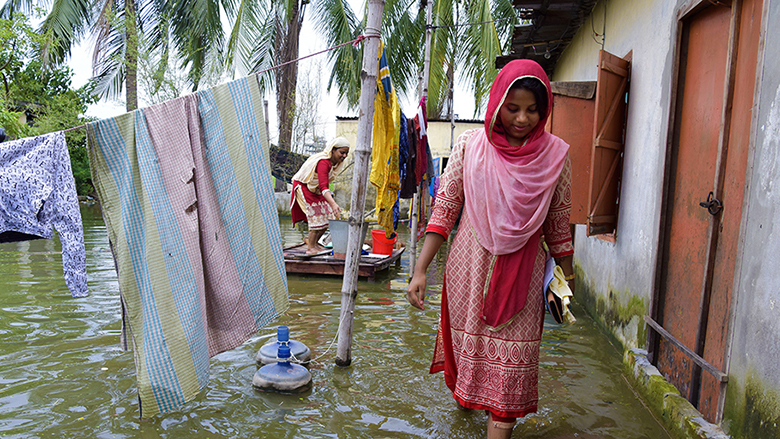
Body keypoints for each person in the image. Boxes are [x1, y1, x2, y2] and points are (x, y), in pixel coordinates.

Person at [406, 59, 576, 439]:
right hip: (470, 265)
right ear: (498, 103)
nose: (522, 118)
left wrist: (569, 278)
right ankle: (465, 409)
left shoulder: (556, 156)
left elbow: (559, 227)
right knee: (471, 356)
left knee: (511, 366)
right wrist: (420, 271)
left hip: (525, 273)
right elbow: (445, 210)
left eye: (533, 110)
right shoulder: (470, 145)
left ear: (544, 109)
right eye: (513, 108)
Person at [290, 137, 350, 255]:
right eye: (341, 152)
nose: (344, 156)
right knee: (315, 216)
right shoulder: (324, 162)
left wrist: (332, 205)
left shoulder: (334, 163)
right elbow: (324, 186)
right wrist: (333, 203)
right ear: (332, 150)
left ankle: (315, 243)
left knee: (330, 215)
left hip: (315, 189)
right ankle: (310, 247)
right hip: (304, 187)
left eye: (346, 153)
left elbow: (323, 186)